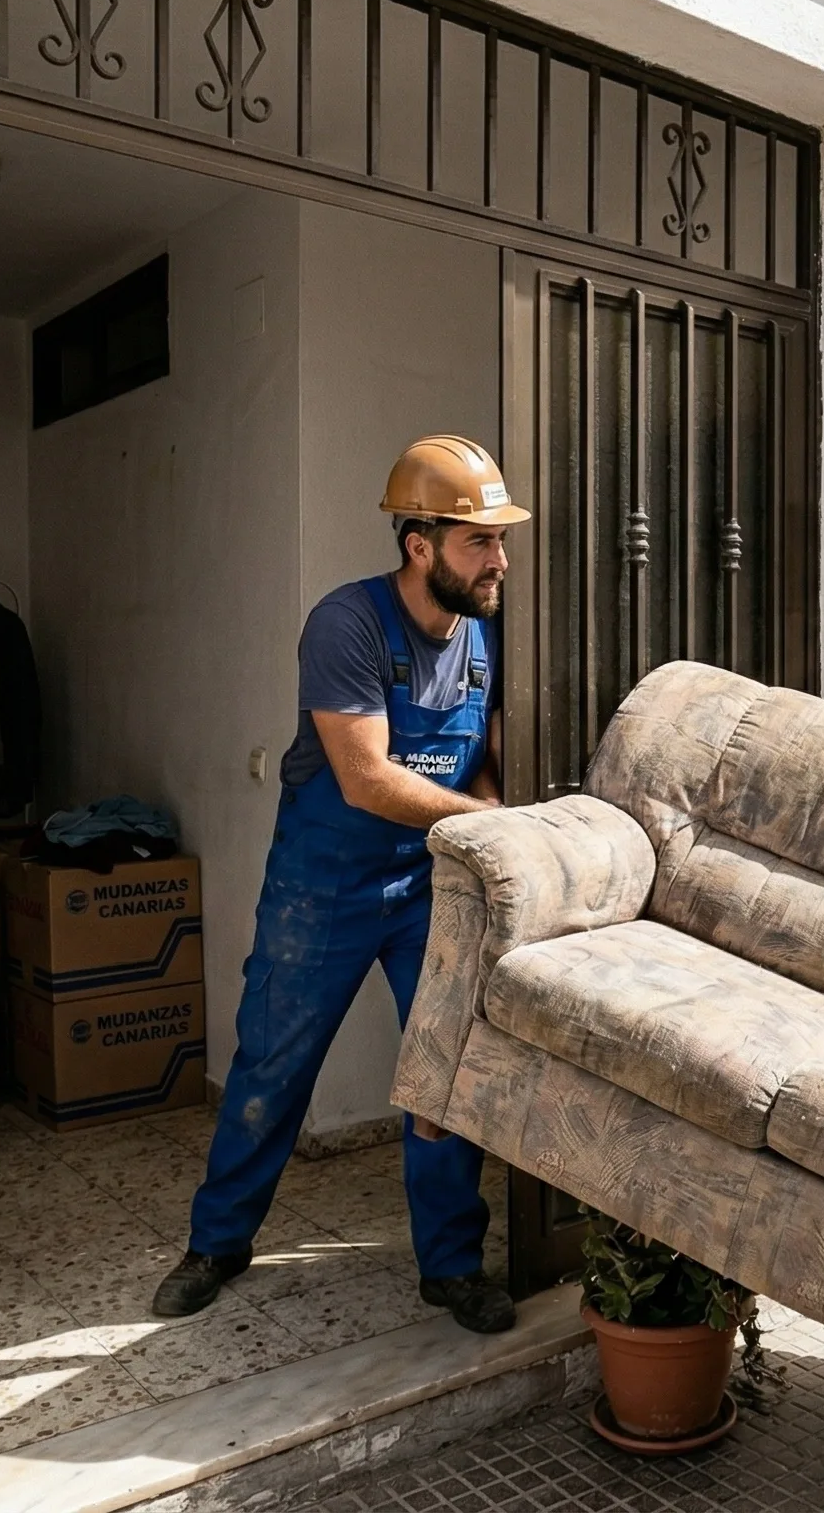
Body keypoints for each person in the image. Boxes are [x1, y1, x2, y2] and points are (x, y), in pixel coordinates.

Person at [153, 435, 527, 1333]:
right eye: (479, 542)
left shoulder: (490, 633)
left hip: (432, 882)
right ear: (420, 546)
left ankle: (450, 1265)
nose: (498, 561)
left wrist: (495, 807)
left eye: (499, 540)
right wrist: (495, 823)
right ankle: (219, 1243)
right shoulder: (347, 624)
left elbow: (493, 764)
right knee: (273, 1064)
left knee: (446, 1069)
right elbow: (364, 779)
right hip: (322, 886)